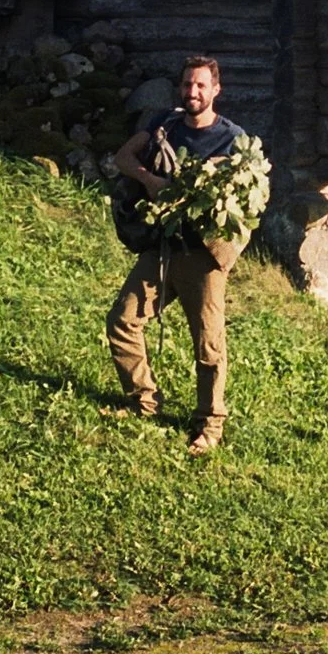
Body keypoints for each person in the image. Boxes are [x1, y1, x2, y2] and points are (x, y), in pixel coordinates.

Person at [105, 54, 249, 454]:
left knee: (208, 344)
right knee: (123, 320)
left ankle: (210, 425)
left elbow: (248, 198)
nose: (193, 92)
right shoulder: (163, 125)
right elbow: (123, 158)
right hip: (164, 246)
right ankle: (143, 402)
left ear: (216, 90)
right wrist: (150, 180)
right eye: (188, 84)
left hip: (203, 256)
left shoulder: (233, 139)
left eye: (201, 85)